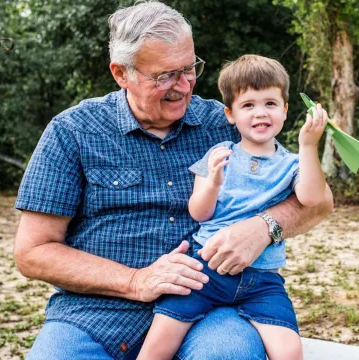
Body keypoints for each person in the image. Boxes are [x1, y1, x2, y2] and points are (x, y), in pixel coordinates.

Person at [13, 2, 333, 359]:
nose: (183, 86)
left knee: (228, 354)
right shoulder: (72, 131)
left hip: (211, 303)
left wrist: (264, 227)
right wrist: (135, 281)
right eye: (165, 75)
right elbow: (33, 252)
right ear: (121, 73)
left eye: (189, 69)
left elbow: (318, 200)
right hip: (96, 313)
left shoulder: (224, 122)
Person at [137, 55, 328, 360]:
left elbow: (313, 198)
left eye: (270, 103)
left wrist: (308, 146)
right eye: (248, 105)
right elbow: (199, 213)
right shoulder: (220, 154)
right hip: (204, 269)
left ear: (285, 109)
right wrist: (212, 182)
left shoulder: (292, 163)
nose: (260, 113)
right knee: (157, 345)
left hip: (262, 279)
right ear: (230, 114)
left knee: (290, 351)